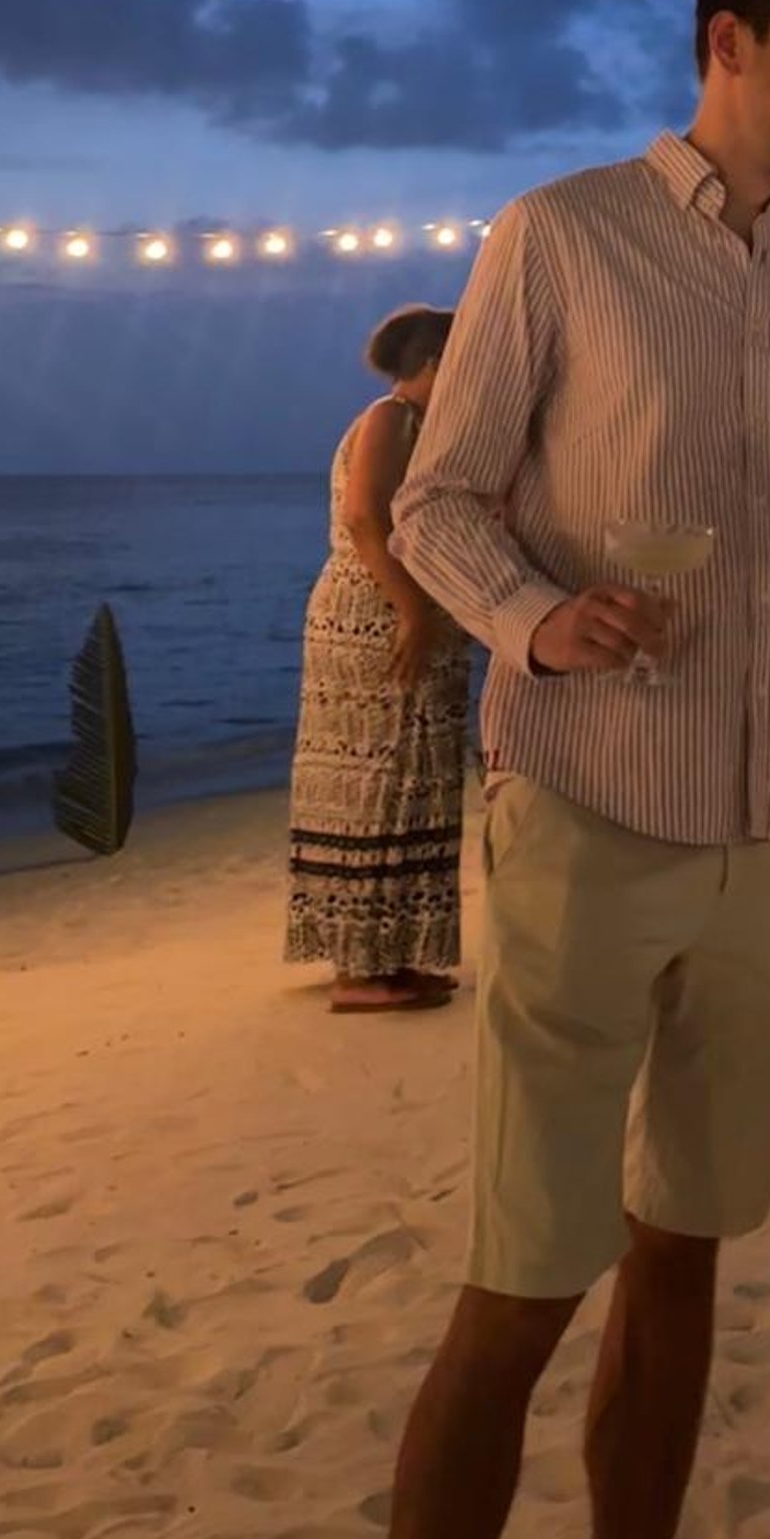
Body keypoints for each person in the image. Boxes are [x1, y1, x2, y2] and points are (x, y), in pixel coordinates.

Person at [380, 0, 770, 1539]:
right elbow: (435, 499)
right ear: (727, 43)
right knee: (524, 1273)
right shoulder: (560, 235)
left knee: (686, 1259)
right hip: (590, 806)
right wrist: (536, 617)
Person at [285, 305, 465, 1015]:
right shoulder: (389, 418)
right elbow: (365, 519)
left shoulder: (426, 428)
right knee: (376, 778)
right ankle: (360, 967)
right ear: (431, 363)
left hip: (409, 608)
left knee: (413, 776)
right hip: (375, 612)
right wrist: (415, 609)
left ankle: (392, 952)